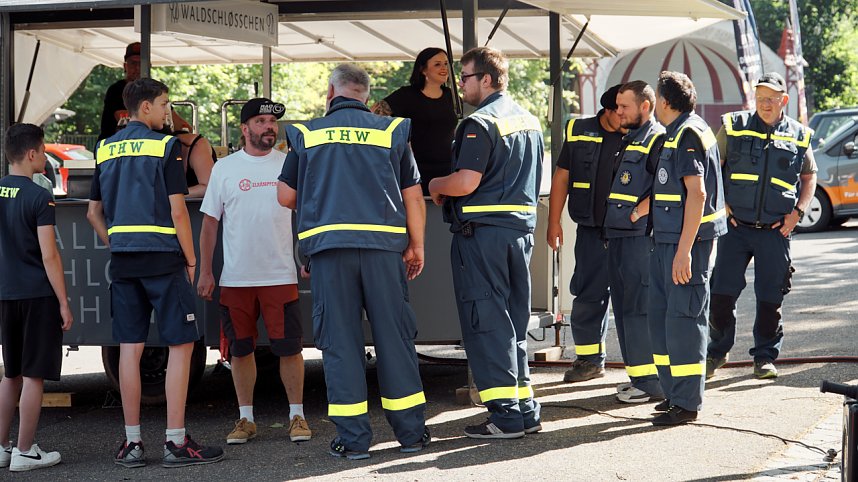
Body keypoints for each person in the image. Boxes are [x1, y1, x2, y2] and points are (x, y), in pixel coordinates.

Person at [277, 63, 429, 460]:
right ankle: (412, 434)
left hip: (330, 253)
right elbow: (413, 195)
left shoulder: (307, 133)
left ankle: (354, 440)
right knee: (394, 340)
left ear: (331, 91)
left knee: (341, 345)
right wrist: (417, 245)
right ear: (366, 93)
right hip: (383, 252)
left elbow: (285, 197)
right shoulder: (392, 130)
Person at [86, 78, 224, 467]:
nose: (169, 112)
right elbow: (178, 209)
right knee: (180, 344)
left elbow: (92, 212)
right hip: (164, 259)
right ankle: (176, 442)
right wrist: (193, 259)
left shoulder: (105, 147)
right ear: (144, 108)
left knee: (130, 348)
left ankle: (131, 443)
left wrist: (115, 242)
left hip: (125, 263)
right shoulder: (164, 147)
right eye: (164, 104)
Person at [428, 46, 543, 439]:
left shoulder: (480, 123)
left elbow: (465, 182)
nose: (460, 85)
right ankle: (525, 410)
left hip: (482, 237)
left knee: (487, 322)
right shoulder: (529, 121)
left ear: (488, 80)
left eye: (465, 77)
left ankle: (505, 416)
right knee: (513, 321)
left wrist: (435, 185)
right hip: (519, 234)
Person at [197, 97, 312, 445]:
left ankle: (297, 416)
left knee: (290, 348)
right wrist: (206, 271)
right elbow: (209, 225)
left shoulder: (290, 164)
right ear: (245, 129)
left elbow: (307, 214)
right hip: (237, 278)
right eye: (261, 121)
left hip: (281, 275)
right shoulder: (225, 168)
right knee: (240, 350)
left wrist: (307, 253)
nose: (269, 127)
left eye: (272, 122)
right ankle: (245, 419)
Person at [706, 72, 817, 380]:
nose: (765, 104)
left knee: (771, 299)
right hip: (735, 228)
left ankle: (765, 357)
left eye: (771, 99)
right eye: (760, 98)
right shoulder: (733, 127)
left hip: (775, 231)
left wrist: (798, 213)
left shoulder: (798, 135)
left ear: (784, 100)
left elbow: (809, 177)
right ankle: (717, 352)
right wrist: (721, 205)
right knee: (720, 295)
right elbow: (713, 168)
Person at [648, 71, 727, 426]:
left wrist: (684, 250)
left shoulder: (688, 133)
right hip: (667, 241)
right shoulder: (678, 131)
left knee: (683, 321)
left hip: (685, 245)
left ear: (664, 102)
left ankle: (687, 403)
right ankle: (674, 394)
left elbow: (697, 194)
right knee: (663, 320)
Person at [0, 124, 73, 472]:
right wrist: (63, 301)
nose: (44, 157)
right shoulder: (38, 196)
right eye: (43, 151)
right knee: (33, 375)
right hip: (36, 294)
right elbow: (50, 255)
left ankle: (2, 447)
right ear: (31, 154)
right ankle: (25, 451)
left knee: (10, 373)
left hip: (5, 293)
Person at [547, 84, 624, 384]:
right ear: (607, 111)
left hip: (628, 233)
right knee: (588, 295)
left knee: (632, 297)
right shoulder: (579, 131)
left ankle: (642, 369)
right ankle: (590, 361)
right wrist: (553, 222)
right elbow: (562, 177)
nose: (626, 117)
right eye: (620, 111)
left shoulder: (640, 132)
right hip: (591, 231)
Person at [604, 81, 665, 403]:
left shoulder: (657, 139)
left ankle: (650, 383)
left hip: (639, 240)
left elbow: (667, 185)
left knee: (639, 311)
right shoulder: (631, 139)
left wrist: (638, 212)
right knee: (626, 310)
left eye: (624, 106)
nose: (618, 112)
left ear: (645, 106)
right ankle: (639, 377)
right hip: (619, 238)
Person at [372, 47, 458, 194]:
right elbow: (373, 116)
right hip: (414, 171)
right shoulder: (406, 95)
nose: (444, 68)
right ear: (423, 69)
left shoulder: (452, 96)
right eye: (437, 64)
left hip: (447, 171)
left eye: (446, 64)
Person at [98, 42, 191, 143]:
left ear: (149, 66)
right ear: (125, 66)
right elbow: (125, 119)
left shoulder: (155, 91)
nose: (137, 68)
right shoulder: (116, 90)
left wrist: (187, 132)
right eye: (133, 63)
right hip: (115, 146)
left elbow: (176, 121)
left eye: (141, 64)